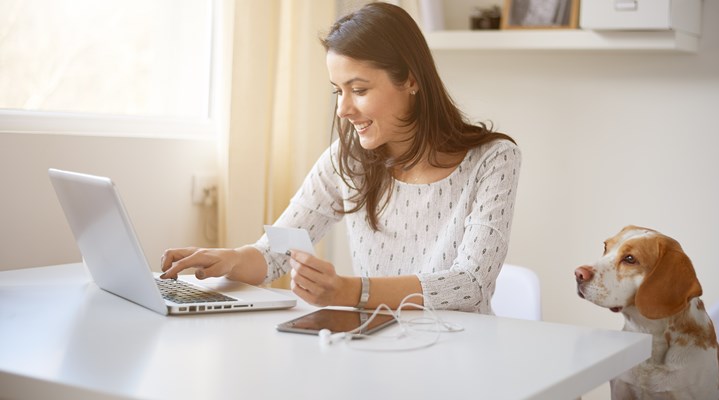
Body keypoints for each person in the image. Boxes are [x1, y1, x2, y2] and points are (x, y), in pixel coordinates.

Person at [160, 2, 521, 315]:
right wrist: (230, 259)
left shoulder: (492, 160)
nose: (343, 109)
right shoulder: (347, 160)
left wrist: (352, 292)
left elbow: (470, 283)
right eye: (338, 90)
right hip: (375, 346)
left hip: (462, 353)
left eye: (359, 90)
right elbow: (276, 253)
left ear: (410, 80)